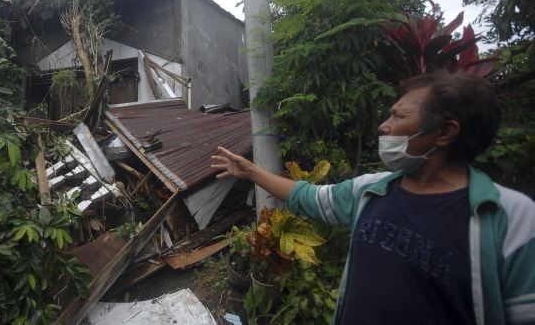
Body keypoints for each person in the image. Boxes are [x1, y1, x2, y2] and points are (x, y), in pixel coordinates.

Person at [211, 70, 535, 325]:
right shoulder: (371, 191)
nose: (384, 125)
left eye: (398, 116)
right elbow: (307, 196)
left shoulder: (512, 219)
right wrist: (251, 172)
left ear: (446, 132)